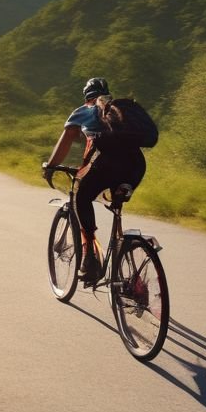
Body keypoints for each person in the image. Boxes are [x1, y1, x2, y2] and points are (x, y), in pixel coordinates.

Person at [43, 77, 147, 285]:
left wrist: (50, 165)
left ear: (86, 96)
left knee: (81, 199)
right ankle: (124, 258)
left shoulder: (85, 110)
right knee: (117, 200)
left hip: (106, 164)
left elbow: (66, 141)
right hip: (135, 165)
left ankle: (90, 257)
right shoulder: (120, 111)